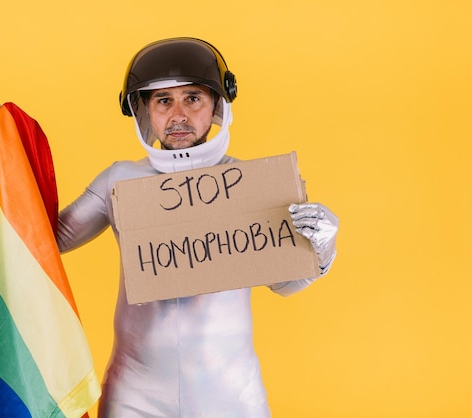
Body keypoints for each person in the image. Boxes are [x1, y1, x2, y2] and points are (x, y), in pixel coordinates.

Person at [56, 37, 338, 418]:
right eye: (163, 100)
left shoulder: (246, 183)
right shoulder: (118, 181)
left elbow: (285, 284)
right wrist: (7, 147)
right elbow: (50, 239)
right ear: (142, 110)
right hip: (135, 390)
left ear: (217, 105)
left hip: (231, 391)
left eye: (192, 98)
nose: (178, 115)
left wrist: (321, 248)